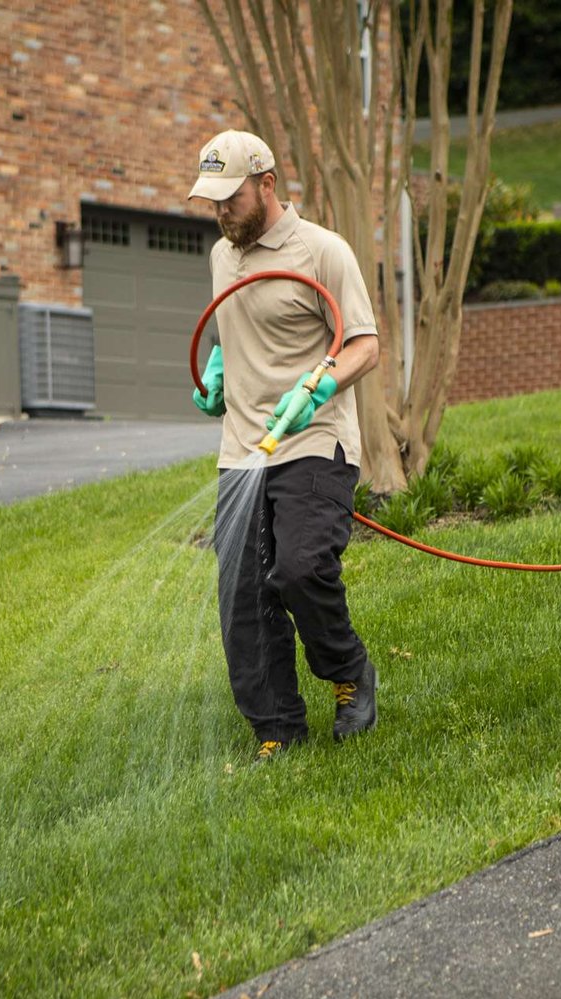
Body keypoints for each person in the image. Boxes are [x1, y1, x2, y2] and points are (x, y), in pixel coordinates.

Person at [186, 129, 381, 762]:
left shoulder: (322, 251)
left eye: (232, 197)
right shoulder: (223, 255)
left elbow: (365, 344)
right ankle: (277, 730)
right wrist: (218, 371)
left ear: (267, 184)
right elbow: (236, 332)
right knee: (243, 599)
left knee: (299, 570)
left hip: (312, 441)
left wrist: (318, 388)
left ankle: (348, 672)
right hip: (243, 450)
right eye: (213, 200)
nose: (222, 211)